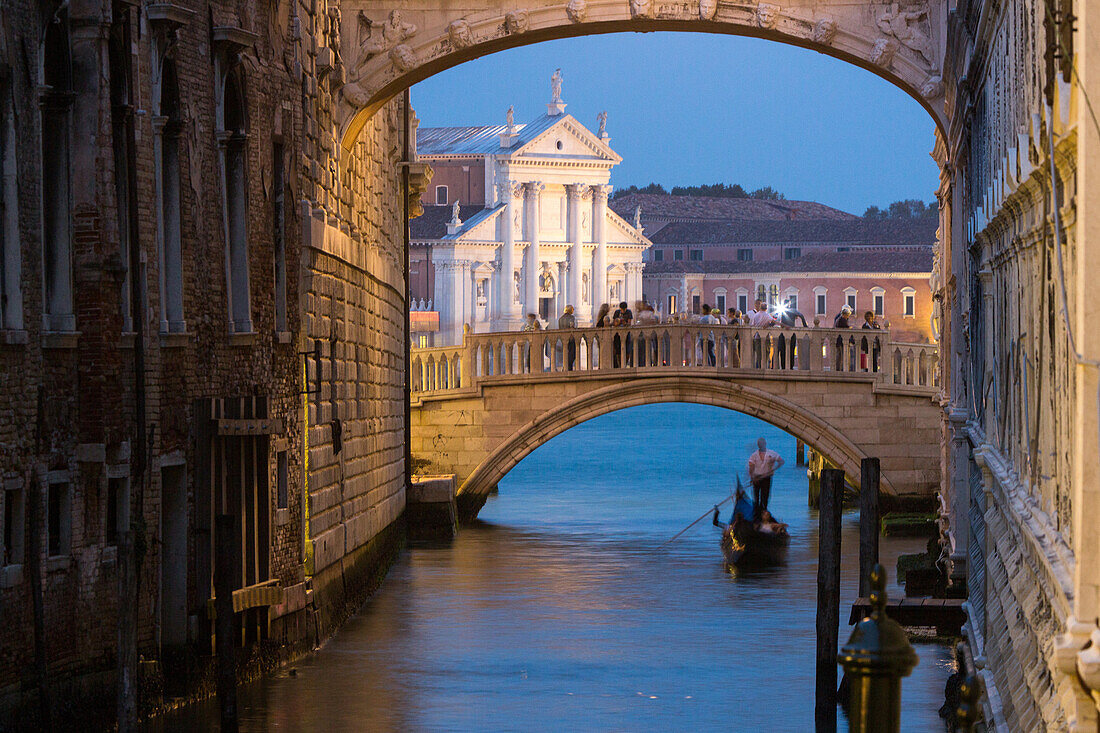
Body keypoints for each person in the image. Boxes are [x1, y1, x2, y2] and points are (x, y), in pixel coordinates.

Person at [747, 437, 784, 517]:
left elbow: (781, 461)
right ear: (758, 445)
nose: (761, 445)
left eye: (762, 443)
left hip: (767, 477)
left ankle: (764, 513)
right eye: (759, 444)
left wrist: (773, 469)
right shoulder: (754, 455)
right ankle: (756, 514)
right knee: (756, 498)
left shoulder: (772, 453)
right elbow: (751, 467)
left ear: (765, 444)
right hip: (757, 478)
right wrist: (752, 477)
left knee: (765, 497)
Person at [612, 301, 633, 367]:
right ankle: (619, 364)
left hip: (626, 333)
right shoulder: (617, 312)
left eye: (624, 309)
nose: (622, 311)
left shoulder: (629, 312)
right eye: (621, 309)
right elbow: (614, 323)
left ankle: (625, 363)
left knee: (627, 349)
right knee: (617, 350)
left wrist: (625, 323)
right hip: (617, 334)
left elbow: (629, 323)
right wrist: (617, 322)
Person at [558, 305, 577, 370]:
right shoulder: (572, 318)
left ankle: (566, 367)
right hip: (571, 339)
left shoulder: (560, 319)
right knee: (572, 355)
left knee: (566, 354)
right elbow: (572, 327)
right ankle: (568, 367)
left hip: (563, 339)